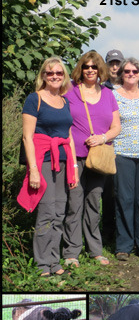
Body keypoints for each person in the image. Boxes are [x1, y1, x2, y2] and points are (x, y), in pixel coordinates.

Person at [18, 57, 80, 276]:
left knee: (60, 211)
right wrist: (33, 169)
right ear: (43, 75)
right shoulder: (34, 99)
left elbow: (69, 136)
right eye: (50, 72)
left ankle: (55, 261)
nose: (55, 76)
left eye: (59, 73)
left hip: (62, 161)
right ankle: (43, 263)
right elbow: (27, 137)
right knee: (46, 211)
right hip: (42, 161)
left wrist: (74, 165)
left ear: (64, 76)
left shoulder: (65, 102)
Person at [63, 50, 120, 267]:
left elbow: (117, 127)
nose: (90, 70)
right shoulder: (71, 93)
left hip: (98, 158)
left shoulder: (108, 94)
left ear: (100, 70)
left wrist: (102, 138)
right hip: (75, 156)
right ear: (81, 69)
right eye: (86, 66)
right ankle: (71, 253)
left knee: (93, 203)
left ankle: (95, 249)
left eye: (94, 67)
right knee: (74, 203)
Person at [111, 57, 139, 261]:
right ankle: (124, 245)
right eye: (127, 71)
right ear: (121, 74)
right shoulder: (112, 95)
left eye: (135, 71)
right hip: (122, 153)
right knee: (124, 200)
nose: (131, 74)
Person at [101, 49, 124, 242]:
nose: (114, 67)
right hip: (108, 147)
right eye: (111, 63)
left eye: (117, 63)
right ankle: (108, 231)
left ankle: (125, 230)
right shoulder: (101, 89)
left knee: (124, 193)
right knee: (108, 193)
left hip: (128, 148)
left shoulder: (131, 87)